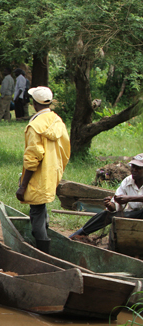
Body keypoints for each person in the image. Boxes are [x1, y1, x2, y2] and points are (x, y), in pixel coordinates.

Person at [15, 86, 70, 253]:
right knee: (41, 208)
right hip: (52, 173)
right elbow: (65, 150)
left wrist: (23, 185)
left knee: (36, 213)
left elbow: (32, 158)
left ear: (34, 103)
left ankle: (43, 251)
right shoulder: (57, 121)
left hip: (38, 176)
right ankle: (44, 240)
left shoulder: (35, 126)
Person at [70, 154, 143, 238]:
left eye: (138, 168)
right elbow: (116, 203)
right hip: (133, 214)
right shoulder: (128, 181)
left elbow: (127, 199)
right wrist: (111, 205)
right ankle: (80, 233)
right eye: (133, 166)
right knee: (106, 213)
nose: (134, 170)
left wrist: (129, 198)